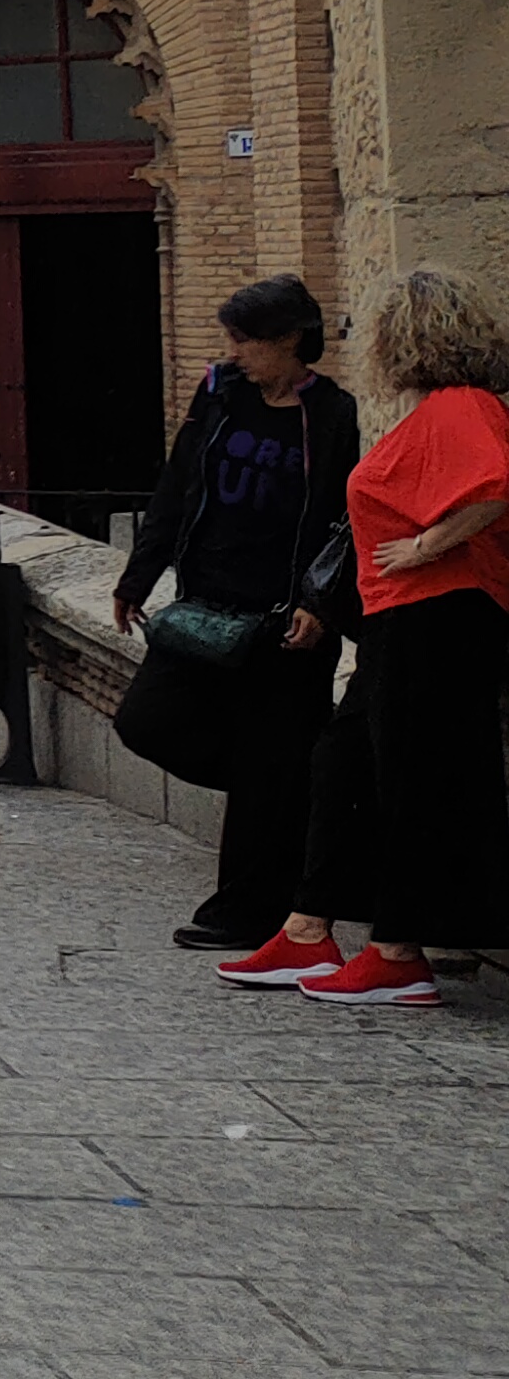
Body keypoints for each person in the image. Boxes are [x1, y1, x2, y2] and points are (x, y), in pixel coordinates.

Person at [220, 268, 509, 1006]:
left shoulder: (461, 407)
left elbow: (497, 485)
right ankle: (309, 927)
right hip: (403, 619)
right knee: (342, 764)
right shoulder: (438, 410)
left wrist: (426, 546)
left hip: (439, 614)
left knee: (411, 778)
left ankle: (398, 950)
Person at [113, 276, 355, 950]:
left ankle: (245, 915)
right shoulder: (220, 395)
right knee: (148, 723)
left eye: (247, 340)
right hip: (205, 605)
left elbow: (346, 521)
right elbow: (178, 483)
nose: (235, 352)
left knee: (273, 762)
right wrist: (140, 573)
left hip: (287, 625)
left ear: (289, 340)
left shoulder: (335, 414)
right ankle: (294, 804)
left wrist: (322, 605)